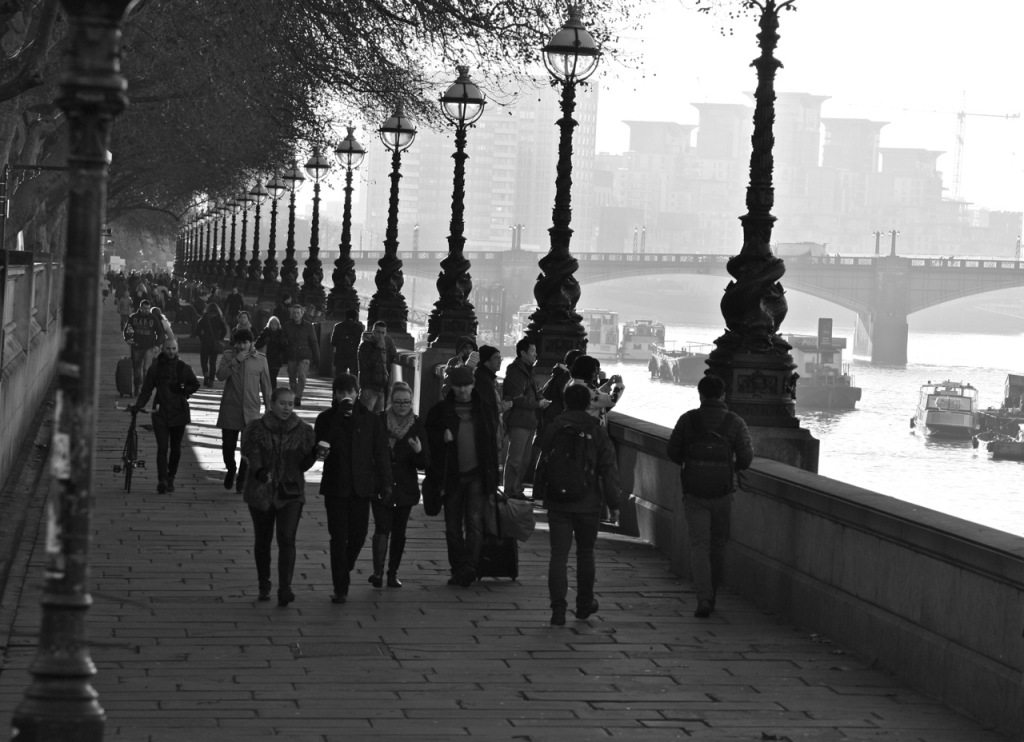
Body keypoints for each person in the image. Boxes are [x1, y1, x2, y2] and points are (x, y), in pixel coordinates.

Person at [666, 374, 753, 618]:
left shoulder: (688, 420)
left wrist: (692, 461)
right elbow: (746, 458)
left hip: (694, 491)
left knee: (699, 545)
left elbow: (672, 452)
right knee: (718, 545)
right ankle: (713, 592)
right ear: (723, 395)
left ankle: (703, 597)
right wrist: (729, 466)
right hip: (723, 492)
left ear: (700, 394)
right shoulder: (735, 422)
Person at [534, 384, 621, 626]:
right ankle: (584, 604)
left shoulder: (555, 426)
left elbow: (542, 459)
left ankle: (558, 610)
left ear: (565, 402)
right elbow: (608, 470)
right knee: (585, 553)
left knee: (558, 556)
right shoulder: (597, 430)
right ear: (587, 404)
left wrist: (539, 493)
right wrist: (614, 503)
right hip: (588, 501)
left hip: (558, 500)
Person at [314, 373, 392, 603]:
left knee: (358, 535)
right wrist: (338, 417)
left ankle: (344, 567)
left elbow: (381, 453)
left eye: (349, 392)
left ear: (358, 393)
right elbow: (320, 446)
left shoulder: (370, 420)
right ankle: (340, 587)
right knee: (338, 537)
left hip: (361, 486)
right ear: (335, 395)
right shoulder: (326, 419)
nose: (346, 396)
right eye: (341, 393)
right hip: (336, 486)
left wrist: (386, 482)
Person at [241, 387, 317, 607]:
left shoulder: (303, 431)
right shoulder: (256, 429)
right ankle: (264, 583)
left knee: (287, 538)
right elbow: (251, 453)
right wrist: (259, 471)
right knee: (263, 539)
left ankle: (285, 587)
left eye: (290, 404)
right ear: (272, 403)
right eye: (282, 403)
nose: (287, 408)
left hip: (290, 492)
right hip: (261, 492)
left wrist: (315, 454)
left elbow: (304, 464)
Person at [424, 365, 500, 587]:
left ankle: (469, 567)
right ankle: (458, 567)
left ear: (473, 385)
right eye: (459, 386)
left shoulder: (483, 409)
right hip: (452, 476)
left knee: (474, 523)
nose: (463, 390)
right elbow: (428, 439)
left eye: (467, 385)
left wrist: (493, 478)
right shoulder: (440, 411)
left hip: (478, 474)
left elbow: (492, 445)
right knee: (452, 526)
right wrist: (442, 436)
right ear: (452, 387)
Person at [369, 381, 427, 588]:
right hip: (381, 483)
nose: (402, 406)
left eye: (406, 402)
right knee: (382, 527)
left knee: (399, 531)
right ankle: (377, 573)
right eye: (398, 402)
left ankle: (392, 573)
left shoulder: (417, 425)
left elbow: (424, 463)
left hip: (405, 485)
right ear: (391, 402)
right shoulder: (379, 421)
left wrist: (418, 451)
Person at [131, 337, 201, 494]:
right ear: (163, 349)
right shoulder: (155, 368)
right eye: (168, 348)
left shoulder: (183, 368)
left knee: (175, 448)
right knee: (162, 448)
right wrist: (138, 406)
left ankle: (171, 477)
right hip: (160, 412)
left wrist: (182, 389)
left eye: (174, 348)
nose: (171, 352)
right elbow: (147, 390)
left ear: (177, 350)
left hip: (179, 412)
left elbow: (195, 384)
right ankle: (162, 479)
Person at [216, 329, 272, 492]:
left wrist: (269, 408)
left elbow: (266, 386)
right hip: (230, 408)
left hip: (251, 409)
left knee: (248, 448)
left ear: (251, 343)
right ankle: (231, 468)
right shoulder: (228, 356)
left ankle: (242, 477)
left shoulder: (260, 359)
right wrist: (235, 361)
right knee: (228, 446)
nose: (241, 346)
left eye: (245, 343)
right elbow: (220, 376)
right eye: (239, 343)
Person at [501, 338, 550, 499]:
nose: (535, 355)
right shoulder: (516, 371)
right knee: (516, 458)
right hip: (519, 420)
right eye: (532, 351)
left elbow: (532, 392)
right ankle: (510, 490)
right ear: (522, 353)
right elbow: (517, 397)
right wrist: (538, 403)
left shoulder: (528, 370)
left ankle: (516, 489)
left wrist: (540, 399)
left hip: (529, 420)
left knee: (524, 459)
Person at [565, 355, 625, 423]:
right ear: (589, 371)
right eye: (595, 370)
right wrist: (619, 385)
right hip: (588, 426)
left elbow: (595, 395)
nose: (597, 373)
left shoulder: (572, 383)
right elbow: (611, 400)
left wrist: (608, 384)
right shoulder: (586, 389)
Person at [123, 298, 165, 393]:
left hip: (149, 347)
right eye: (144, 308)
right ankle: (137, 387)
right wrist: (128, 339)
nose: (146, 310)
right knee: (137, 369)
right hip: (136, 347)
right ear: (140, 308)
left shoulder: (153, 318)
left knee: (146, 369)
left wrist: (157, 345)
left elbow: (161, 333)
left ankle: (145, 388)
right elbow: (127, 330)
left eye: (148, 308)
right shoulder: (133, 317)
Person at [281, 304, 319, 408]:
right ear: (291, 314)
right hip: (292, 355)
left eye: (298, 313)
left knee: (302, 376)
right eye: (294, 313)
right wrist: (285, 342)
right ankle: (293, 395)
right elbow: (282, 338)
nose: (296, 315)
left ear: (302, 314)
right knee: (292, 377)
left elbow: (314, 342)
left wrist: (317, 358)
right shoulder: (287, 325)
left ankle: (298, 396)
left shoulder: (308, 326)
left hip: (304, 355)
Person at [473, 345, 508, 456]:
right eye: (496, 358)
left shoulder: (487, 378)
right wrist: (505, 405)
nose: (500, 361)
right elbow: (487, 407)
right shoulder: (483, 380)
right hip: (486, 430)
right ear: (486, 361)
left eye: (500, 358)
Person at [357, 320, 398, 413]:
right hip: (368, 387)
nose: (380, 335)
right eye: (378, 332)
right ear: (373, 332)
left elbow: (392, 358)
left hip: (381, 388)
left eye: (383, 333)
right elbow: (367, 365)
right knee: (365, 416)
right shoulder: (365, 346)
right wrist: (378, 349)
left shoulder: (387, 344)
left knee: (378, 418)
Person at [541, 348, 584, 428]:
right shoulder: (565, 377)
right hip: (557, 416)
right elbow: (567, 398)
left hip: (554, 414)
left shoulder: (562, 374)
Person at [195, 302, 229, 387]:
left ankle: (206, 376)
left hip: (205, 343)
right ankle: (211, 381)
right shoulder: (219, 319)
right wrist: (219, 338)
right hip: (214, 343)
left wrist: (202, 337)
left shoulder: (204, 318)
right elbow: (224, 330)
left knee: (204, 361)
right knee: (213, 363)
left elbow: (197, 330)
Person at [255, 315, 289, 385]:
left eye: (275, 324)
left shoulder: (281, 334)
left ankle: (272, 391)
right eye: (272, 324)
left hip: (276, 360)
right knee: (265, 378)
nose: (273, 326)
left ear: (278, 325)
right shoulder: (265, 333)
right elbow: (257, 345)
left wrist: (281, 342)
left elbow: (285, 347)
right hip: (266, 358)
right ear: (269, 324)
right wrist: (264, 341)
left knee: (273, 378)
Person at [330, 309, 365, 376]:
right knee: (354, 377)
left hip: (340, 355)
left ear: (345, 316)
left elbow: (333, 342)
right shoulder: (359, 328)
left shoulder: (338, 326)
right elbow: (361, 343)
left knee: (340, 377)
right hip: (354, 356)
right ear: (356, 317)